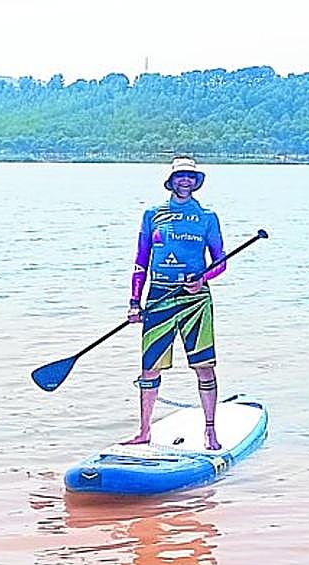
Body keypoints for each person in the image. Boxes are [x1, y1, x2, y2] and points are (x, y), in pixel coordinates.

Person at [124, 156, 227, 450]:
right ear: (171, 181)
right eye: (181, 175)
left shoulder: (208, 217)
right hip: (158, 298)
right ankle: (144, 431)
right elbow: (140, 260)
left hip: (195, 300)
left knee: (204, 367)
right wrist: (134, 302)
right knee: (149, 368)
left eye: (190, 177)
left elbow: (221, 262)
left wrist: (202, 278)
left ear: (196, 182)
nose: (186, 180)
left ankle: (210, 430)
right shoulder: (152, 214)